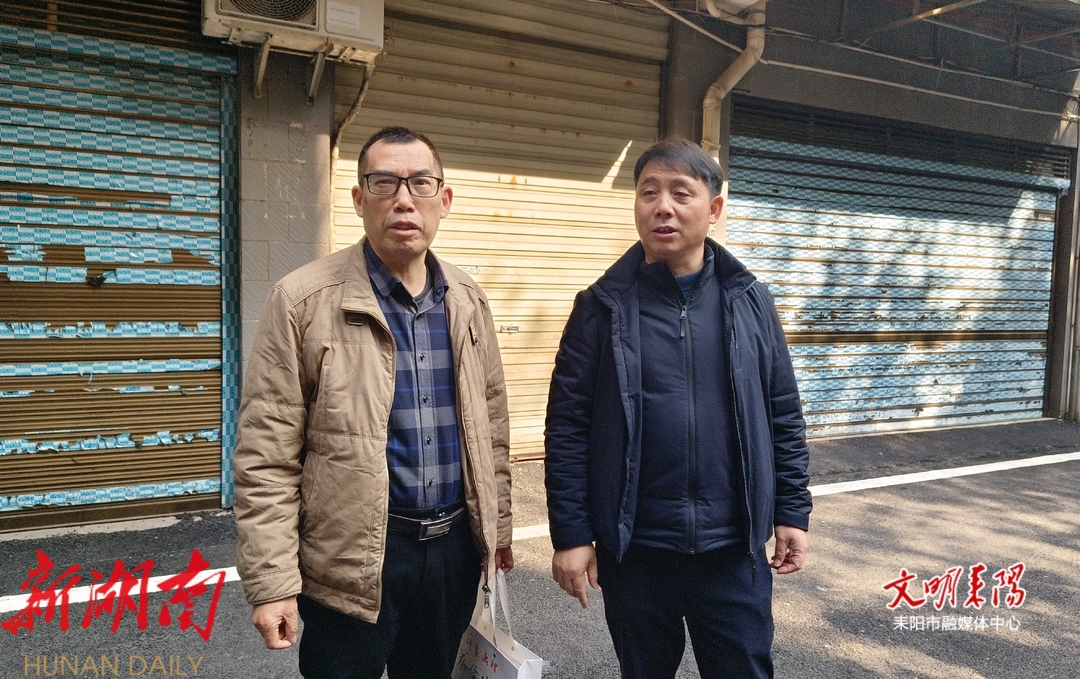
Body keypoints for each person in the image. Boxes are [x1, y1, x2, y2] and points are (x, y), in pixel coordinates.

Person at [233, 126, 514, 679]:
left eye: (420, 183)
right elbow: (266, 456)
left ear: (444, 200)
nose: (404, 199)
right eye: (384, 183)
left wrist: (497, 532)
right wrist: (272, 584)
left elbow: (493, 428)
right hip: (352, 562)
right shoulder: (302, 301)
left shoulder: (467, 300)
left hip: (452, 555)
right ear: (359, 199)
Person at [544, 137, 811, 678]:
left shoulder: (750, 301)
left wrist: (791, 510)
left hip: (732, 548)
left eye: (681, 193)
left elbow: (782, 411)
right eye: (649, 193)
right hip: (637, 550)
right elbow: (568, 427)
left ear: (713, 209)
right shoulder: (600, 307)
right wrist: (571, 535)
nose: (662, 207)